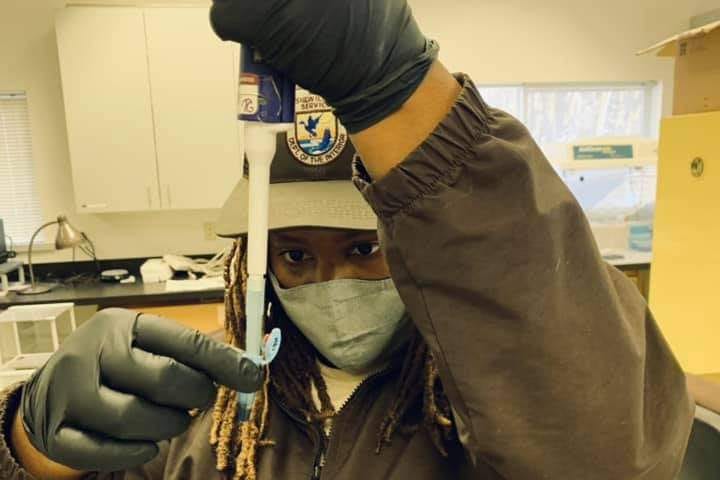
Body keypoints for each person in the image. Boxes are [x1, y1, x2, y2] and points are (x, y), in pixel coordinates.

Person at [0, 0, 693, 479]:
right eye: (296, 256)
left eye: (365, 249)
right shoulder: (204, 419)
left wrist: (403, 89)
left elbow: (611, 455)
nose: (329, 283)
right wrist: (28, 446)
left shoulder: (486, 408)